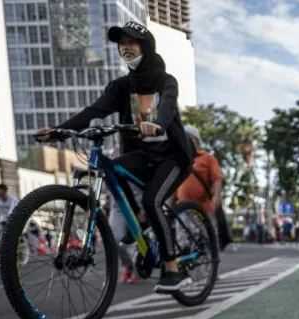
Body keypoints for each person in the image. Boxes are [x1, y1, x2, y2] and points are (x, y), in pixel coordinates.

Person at [36, 21, 194, 293]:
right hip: (142, 156)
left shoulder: (166, 81)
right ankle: (139, 224)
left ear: (145, 47)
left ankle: (172, 268)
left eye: (131, 42)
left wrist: (158, 123)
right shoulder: (121, 87)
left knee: (152, 200)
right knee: (110, 170)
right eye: (122, 44)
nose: (125, 48)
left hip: (173, 158)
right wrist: (60, 131)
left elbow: (167, 106)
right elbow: (94, 111)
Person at [176, 125, 224, 245]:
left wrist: (216, 197)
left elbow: (217, 179)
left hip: (203, 208)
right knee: (182, 240)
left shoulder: (208, 158)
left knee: (207, 238)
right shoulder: (179, 159)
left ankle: (211, 260)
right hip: (183, 208)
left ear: (194, 140)